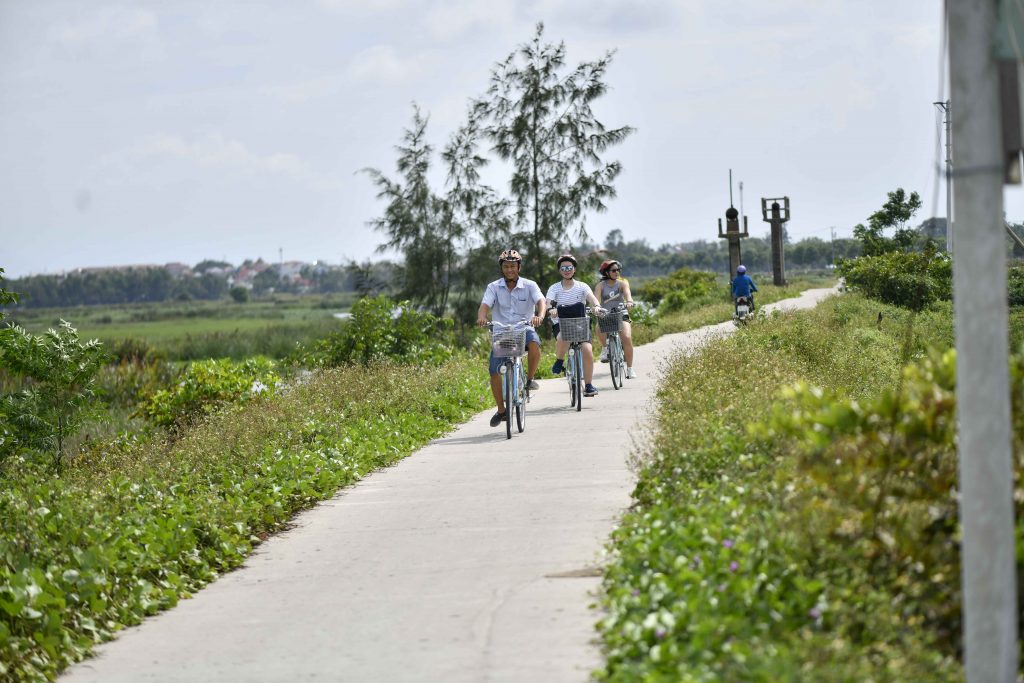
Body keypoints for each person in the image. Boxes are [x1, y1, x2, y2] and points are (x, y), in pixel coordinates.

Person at [478, 249, 546, 428]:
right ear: (502, 268)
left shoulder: (530, 285)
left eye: (513, 266)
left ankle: (529, 380)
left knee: (534, 343)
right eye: (506, 266)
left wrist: (540, 315)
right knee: (494, 370)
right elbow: (485, 305)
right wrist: (482, 317)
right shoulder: (494, 287)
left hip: (524, 328)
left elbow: (541, 302)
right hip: (503, 332)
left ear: (519, 267)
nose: (510, 270)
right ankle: (501, 411)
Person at [546, 254, 603, 397]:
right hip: (561, 323)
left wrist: (596, 306)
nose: (566, 270)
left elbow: (592, 298)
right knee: (562, 336)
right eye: (563, 268)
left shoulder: (582, 286)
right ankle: (559, 360)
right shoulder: (554, 288)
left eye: (569, 267)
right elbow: (549, 302)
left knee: (587, 350)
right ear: (560, 270)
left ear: (574, 269)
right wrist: (550, 310)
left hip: (581, 323)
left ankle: (588, 385)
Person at [594, 259, 638, 379]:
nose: (617, 272)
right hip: (606, 314)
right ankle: (605, 349)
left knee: (627, 338)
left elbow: (628, 295)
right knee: (598, 327)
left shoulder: (622, 284)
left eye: (618, 270)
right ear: (606, 272)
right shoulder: (600, 286)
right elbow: (596, 300)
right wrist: (596, 308)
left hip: (621, 313)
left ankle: (629, 369)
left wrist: (629, 302)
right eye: (614, 270)